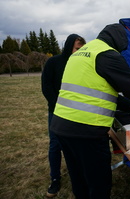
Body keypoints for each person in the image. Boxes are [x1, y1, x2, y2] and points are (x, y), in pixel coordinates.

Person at [50, 24, 130, 199]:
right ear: (119, 41)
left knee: (78, 176)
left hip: (61, 126)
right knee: (99, 182)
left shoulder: (81, 53)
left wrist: (128, 106)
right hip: (87, 131)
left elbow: (95, 89)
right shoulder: (107, 54)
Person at [41, 34, 86, 198]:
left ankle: (79, 174)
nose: (79, 52)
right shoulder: (54, 62)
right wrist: (58, 107)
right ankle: (55, 179)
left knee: (77, 144)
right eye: (76, 48)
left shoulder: (83, 64)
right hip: (57, 112)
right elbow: (46, 86)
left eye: (81, 48)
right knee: (55, 145)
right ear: (68, 47)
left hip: (78, 111)